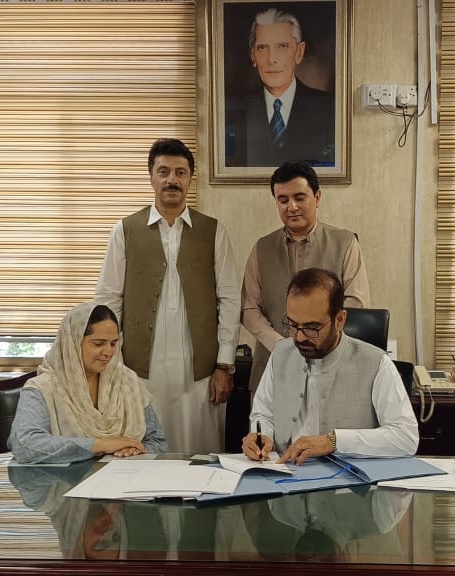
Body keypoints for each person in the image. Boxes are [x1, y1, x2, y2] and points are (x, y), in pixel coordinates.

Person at [96, 138, 241, 455]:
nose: (172, 180)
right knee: (144, 454)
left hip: (200, 374)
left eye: (180, 172)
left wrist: (224, 366)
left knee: (201, 457)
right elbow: (107, 301)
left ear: (191, 178)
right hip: (139, 372)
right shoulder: (125, 231)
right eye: (163, 171)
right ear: (151, 177)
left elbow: (230, 299)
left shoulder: (213, 231)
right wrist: (113, 365)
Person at [242, 268, 417, 464]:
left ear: (340, 320)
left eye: (311, 327)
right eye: (292, 324)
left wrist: (333, 441)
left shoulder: (376, 363)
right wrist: (261, 436)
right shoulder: (280, 354)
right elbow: (262, 414)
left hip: (348, 485)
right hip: (284, 475)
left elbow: (406, 437)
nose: (299, 337)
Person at [241, 162, 369, 391]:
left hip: (331, 366)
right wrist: (281, 346)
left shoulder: (345, 243)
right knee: (269, 427)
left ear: (317, 197)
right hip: (274, 364)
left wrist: (319, 340)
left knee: (325, 428)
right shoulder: (262, 248)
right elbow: (249, 309)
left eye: (300, 197)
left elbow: (356, 304)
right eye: (283, 200)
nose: (292, 207)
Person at [9, 302, 167, 464]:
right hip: (64, 485)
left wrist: (136, 450)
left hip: (122, 481)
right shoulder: (42, 388)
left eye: (113, 343)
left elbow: (157, 441)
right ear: (73, 342)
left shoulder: (128, 381)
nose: (109, 352)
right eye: (98, 344)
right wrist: (100, 445)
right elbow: (25, 445)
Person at [224, 7, 335, 167]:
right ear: (253, 56)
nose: (272, 59)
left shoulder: (328, 108)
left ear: (299, 52)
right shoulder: (234, 108)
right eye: (262, 48)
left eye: (282, 46)